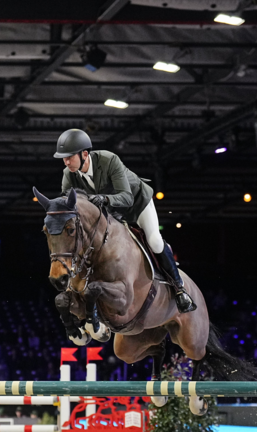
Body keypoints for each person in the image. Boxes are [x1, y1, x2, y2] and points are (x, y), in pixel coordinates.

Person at [54, 128, 196, 313]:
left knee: (154, 240)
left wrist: (105, 199)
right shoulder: (68, 174)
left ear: (85, 154)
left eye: (69, 157)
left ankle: (179, 289)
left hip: (137, 204)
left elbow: (127, 198)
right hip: (111, 214)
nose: (66, 162)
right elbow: (69, 205)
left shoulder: (108, 160)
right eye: (63, 158)